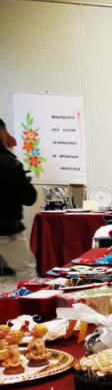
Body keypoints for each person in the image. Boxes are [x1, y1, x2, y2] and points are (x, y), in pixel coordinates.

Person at [0, 118, 38, 282]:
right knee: (26, 272)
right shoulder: (10, 163)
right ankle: (30, 299)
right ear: (2, 133)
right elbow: (29, 198)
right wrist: (24, 182)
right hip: (8, 228)